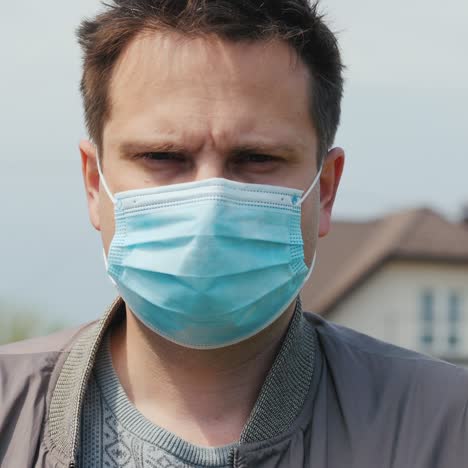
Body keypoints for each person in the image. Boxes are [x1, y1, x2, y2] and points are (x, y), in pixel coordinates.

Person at [1, 1, 467, 467]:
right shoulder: (10, 410)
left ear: (324, 191)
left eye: (256, 159)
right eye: (163, 156)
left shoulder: (445, 426)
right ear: (92, 181)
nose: (210, 203)